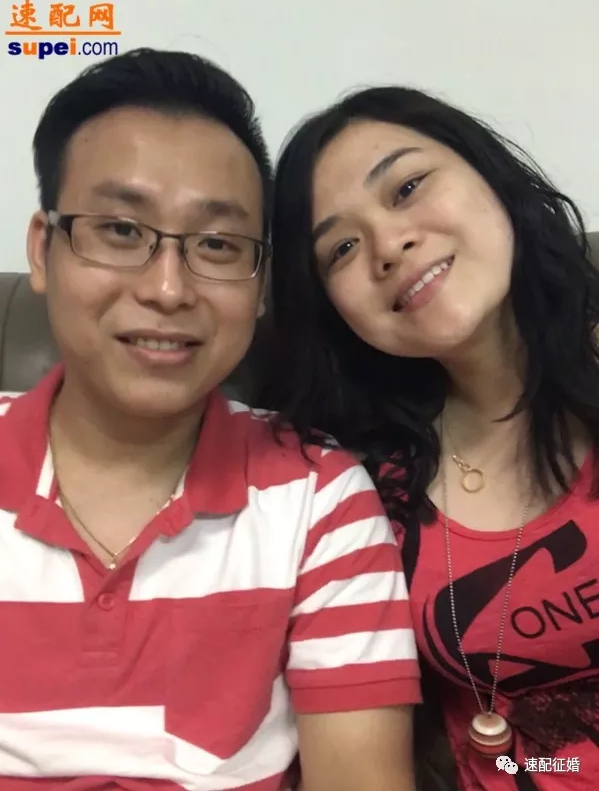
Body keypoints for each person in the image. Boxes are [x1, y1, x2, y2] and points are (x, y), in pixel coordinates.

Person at [0, 50, 421, 790]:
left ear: (259, 288)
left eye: (218, 245)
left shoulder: (320, 500)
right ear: (44, 249)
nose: (168, 289)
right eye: (121, 230)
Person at [257, 85, 599, 791]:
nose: (388, 246)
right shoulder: (357, 485)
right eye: (342, 248)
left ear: (489, 175)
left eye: (407, 187)